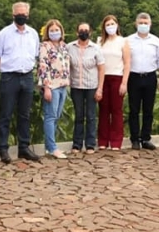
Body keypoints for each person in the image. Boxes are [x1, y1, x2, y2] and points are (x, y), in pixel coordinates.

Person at [0, 2, 41, 163]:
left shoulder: (33, 34)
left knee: (24, 114)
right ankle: (3, 148)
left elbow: (35, 55)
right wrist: (6, 69)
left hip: (27, 76)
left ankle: (24, 148)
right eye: (19, 14)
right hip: (9, 77)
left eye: (24, 14)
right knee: (5, 113)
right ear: (13, 15)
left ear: (28, 14)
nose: (22, 16)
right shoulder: (4, 34)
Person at [126, 12, 159, 151]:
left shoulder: (156, 41)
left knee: (148, 109)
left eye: (146, 23)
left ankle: (146, 138)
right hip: (134, 77)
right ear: (136, 24)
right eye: (140, 23)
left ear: (150, 24)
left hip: (150, 77)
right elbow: (124, 60)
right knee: (134, 110)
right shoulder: (128, 40)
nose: (143, 25)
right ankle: (135, 139)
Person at [67, 22, 105, 154]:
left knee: (91, 116)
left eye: (86, 30)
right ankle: (77, 144)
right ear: (77, 32)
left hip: (91, 86)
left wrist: (100, 88)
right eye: (81, 30)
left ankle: (90, 144)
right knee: (78, 115)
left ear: (90, 32)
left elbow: (101, 69)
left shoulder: (96, 48)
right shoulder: (69, 47)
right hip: (76, 86)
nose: (84, 32)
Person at [38, 19, 71, 159]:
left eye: (57, 30)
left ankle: (49, 146)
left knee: (56, 116)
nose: (54, 32)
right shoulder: (45, 46)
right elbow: (43, 67)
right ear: (47, 32)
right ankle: (52, 148)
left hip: (63, 85)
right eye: (51, 30)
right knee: (50, 116)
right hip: (52, 86)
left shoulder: (64, 46)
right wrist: (46, 87)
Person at [97, 15, 131, 151]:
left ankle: (116, 141)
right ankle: (103, 140)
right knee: (103, 110)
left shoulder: (123, 41)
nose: (110, 27)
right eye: (107, 25)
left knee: (116, 110)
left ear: (117, 25)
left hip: (117, 77)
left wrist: (124, 82)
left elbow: (127, 63)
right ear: (104, 27)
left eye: (112, 24)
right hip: (103, 78)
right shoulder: (100, 42)